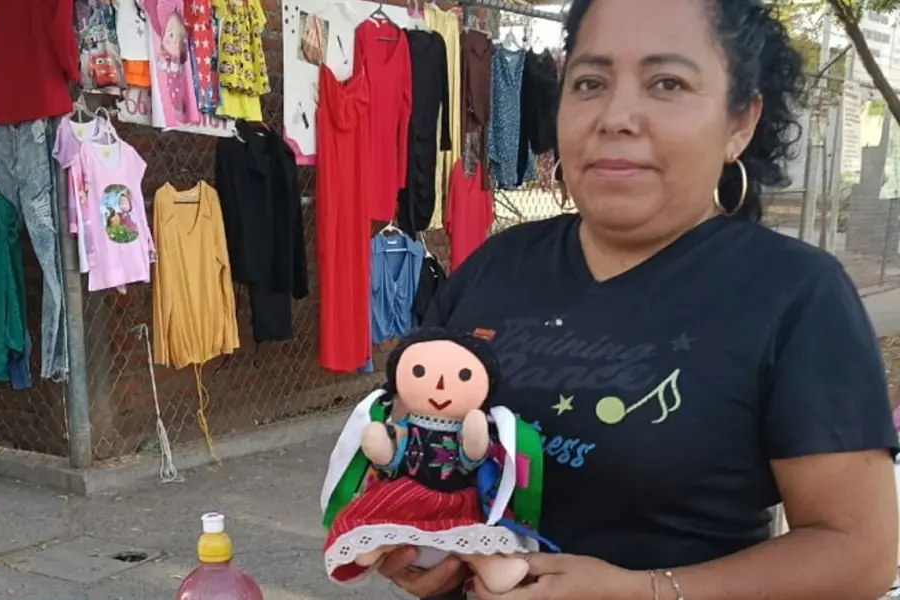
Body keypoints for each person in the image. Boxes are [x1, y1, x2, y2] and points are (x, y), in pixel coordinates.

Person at [377, 0, 900, 598]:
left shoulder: (796, 297)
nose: (616, 116)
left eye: (668, 83)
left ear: (740, 123)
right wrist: (409, 547)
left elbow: (859, 553)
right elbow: (412, 440)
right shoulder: (497, 264)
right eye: (591, 82)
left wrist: (647, 591)